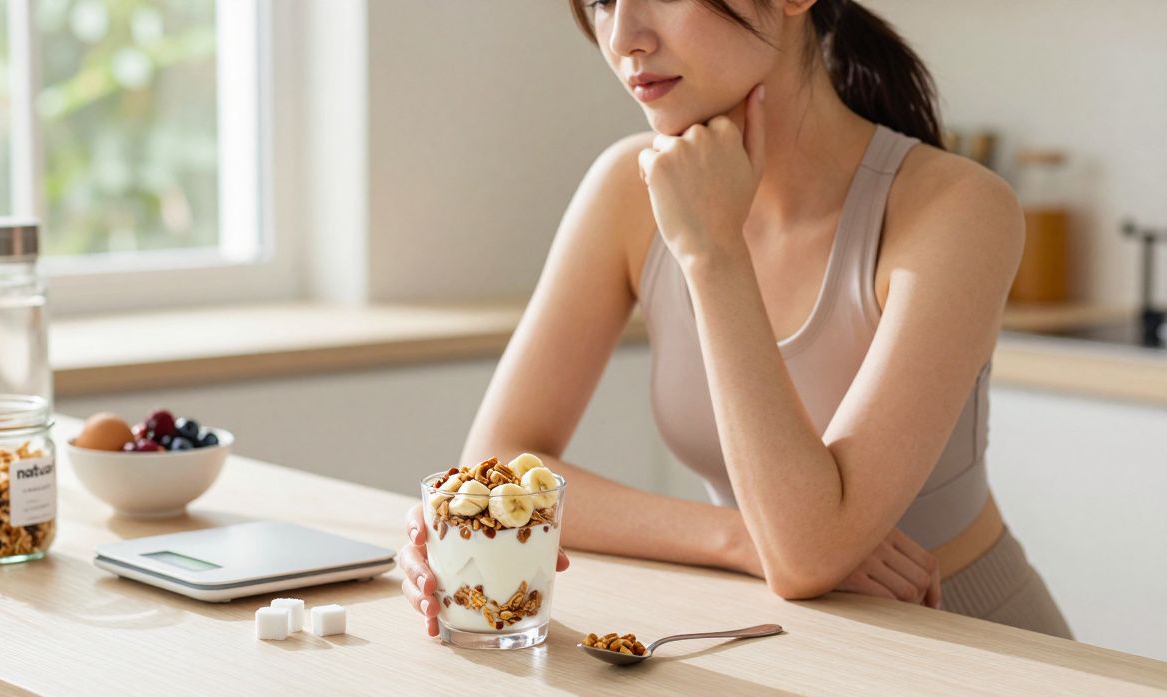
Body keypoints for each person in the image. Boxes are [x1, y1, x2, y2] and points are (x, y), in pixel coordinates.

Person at [400, 0, 1072, 639]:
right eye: (602, 0)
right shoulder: (624, 189)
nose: (623, 35)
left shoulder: (959, 209)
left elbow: (807, 555)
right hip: (782, 638)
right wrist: (739, 538)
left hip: (976, 649)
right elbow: (497, 465)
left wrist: (713, 250)